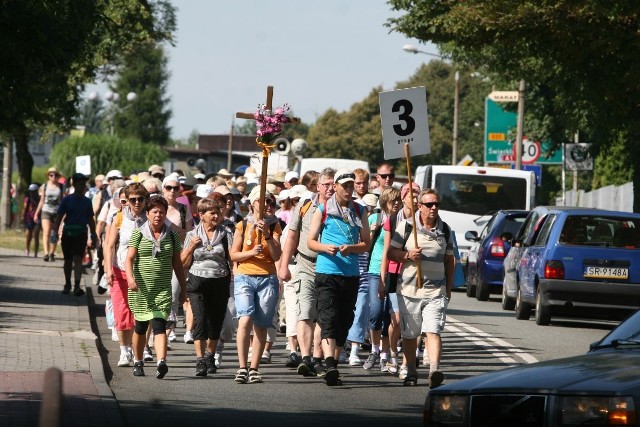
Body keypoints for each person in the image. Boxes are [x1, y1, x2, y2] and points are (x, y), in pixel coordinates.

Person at [307, 169, 370, 386]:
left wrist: (351, 248)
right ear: (335, 187)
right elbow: (311, 242)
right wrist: (326, 247)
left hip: (351, 274)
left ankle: (332, 359)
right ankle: (331, 365)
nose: (349, 189)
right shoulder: (323, 209)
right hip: (327, 272)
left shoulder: (360, 210)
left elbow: (366, 243)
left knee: (345, 321)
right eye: (345, 185)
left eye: (352, 185)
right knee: (328, 318)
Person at [388, 188, 455, 388]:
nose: (434, 208)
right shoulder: (407, 226)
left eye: (436, 204)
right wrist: (407, 255)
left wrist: (448, 287)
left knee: (433, 331)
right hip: (409, 291)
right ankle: (411, 371)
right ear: (420, 206)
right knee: (410, 335)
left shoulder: (445, 229)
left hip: (436, 291)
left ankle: (434, 371)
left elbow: (449, 260)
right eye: (429, 204)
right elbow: (391, 252)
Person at [125, 195, 187, 379]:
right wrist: (130, 278)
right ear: (147, 213)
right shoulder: (138, 233)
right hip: (141, 289)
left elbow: (177, 264)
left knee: (160, 326)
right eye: (154, 211)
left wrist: (183, 289)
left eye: (161, 211)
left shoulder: (172, 236)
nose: (158, 215)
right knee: (141, 327)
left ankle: (161, 362)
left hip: (162, 289)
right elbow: (129, 258)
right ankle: (138, 361)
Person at [229, 186, 282, 384]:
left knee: (261, 325)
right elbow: (234, 254)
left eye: (270, 201)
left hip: (267, 277)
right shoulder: (242, 225)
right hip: (245, 276)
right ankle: (242, 367)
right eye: (264, 201)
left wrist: (267, 235)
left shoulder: (275, 225)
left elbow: (277, 255)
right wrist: (251, 253)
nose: (268, 205)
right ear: (253, 204)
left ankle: (254, 368)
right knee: (245, 319)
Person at [181, 198, 232, 377]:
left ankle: (211, 355)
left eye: (218, 212)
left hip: (220, 281)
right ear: (201, 215)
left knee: (215, 322)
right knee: (200, 320)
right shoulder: (192, 235)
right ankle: (200, 359)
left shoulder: (226, 234)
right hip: (197, 282)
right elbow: (182, 262)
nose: (216, 215)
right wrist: (191, 247)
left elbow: (231, 258)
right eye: (212, 213)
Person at [104, 183, 148, 368]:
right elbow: (109, 245)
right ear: (127, 201)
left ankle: (140, 348)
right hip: (120, 272)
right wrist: (107, 270)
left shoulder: (151, 218)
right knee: (122, 313)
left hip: (144, 273)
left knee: (141, 315)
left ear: (146, 200)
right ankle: (125, 351)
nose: (137, 202)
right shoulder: (120, 218)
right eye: (133, 199)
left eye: (140, 199)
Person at [365, 187, 401, 372]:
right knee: (376, 312)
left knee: (391, 315)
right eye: (392, 200)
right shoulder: (375, 219)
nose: (396, 203)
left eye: (398, 200)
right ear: (384, 202)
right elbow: (364, 243)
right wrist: (371, 232)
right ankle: (374, 349)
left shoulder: (402, 222)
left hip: (396, 271)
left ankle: (385, 355)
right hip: (375, 271)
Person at [161, 175, 193, 345]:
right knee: (158, 294)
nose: (172, 191)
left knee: (173, 294)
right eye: (168, 188)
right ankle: (156, 331)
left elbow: (189, 234)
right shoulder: (156, 207)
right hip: (157, 256)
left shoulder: (183, 208)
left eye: (176, 188)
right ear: (163, 189)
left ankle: (165, 333)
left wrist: (187, 254)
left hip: (177, 256)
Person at [54, 173, 97, 296]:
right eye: (79, 184)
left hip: (81, 233)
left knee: (78, 259)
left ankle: (77, 286)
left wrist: (93, 234)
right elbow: (59, 217)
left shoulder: (87, 202)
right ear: (74, 185)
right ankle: (67, 284)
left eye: (83, 184)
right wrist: (55, 231)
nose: (82, 186)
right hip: (68, 233)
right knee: (68, 260)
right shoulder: (67, 200)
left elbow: (90, 219)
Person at [34, 167, 63, 262]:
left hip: (57, 212)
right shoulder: (44, 186)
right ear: (48, 176)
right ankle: (46, 253)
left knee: (54, 233)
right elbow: (42, 201)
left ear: (58, 176)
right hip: (46, 210)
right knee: (46, 232)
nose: (53, 176)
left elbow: (63, 201)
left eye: (55, 175)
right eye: (51, 175)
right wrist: (36, 213)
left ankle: (52, 253)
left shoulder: (61, 186)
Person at [23, 183, 41, 257]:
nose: (32, 193)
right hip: (29, 218)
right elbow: (25, 209)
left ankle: (36, 252)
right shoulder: (27, 199)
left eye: (33, 191)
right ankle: (27, 249)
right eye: (30, 191)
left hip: (37, 218)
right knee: (28, 235)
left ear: (37, 191)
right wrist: (23, 216)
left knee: (36, 235)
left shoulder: (40, 199)